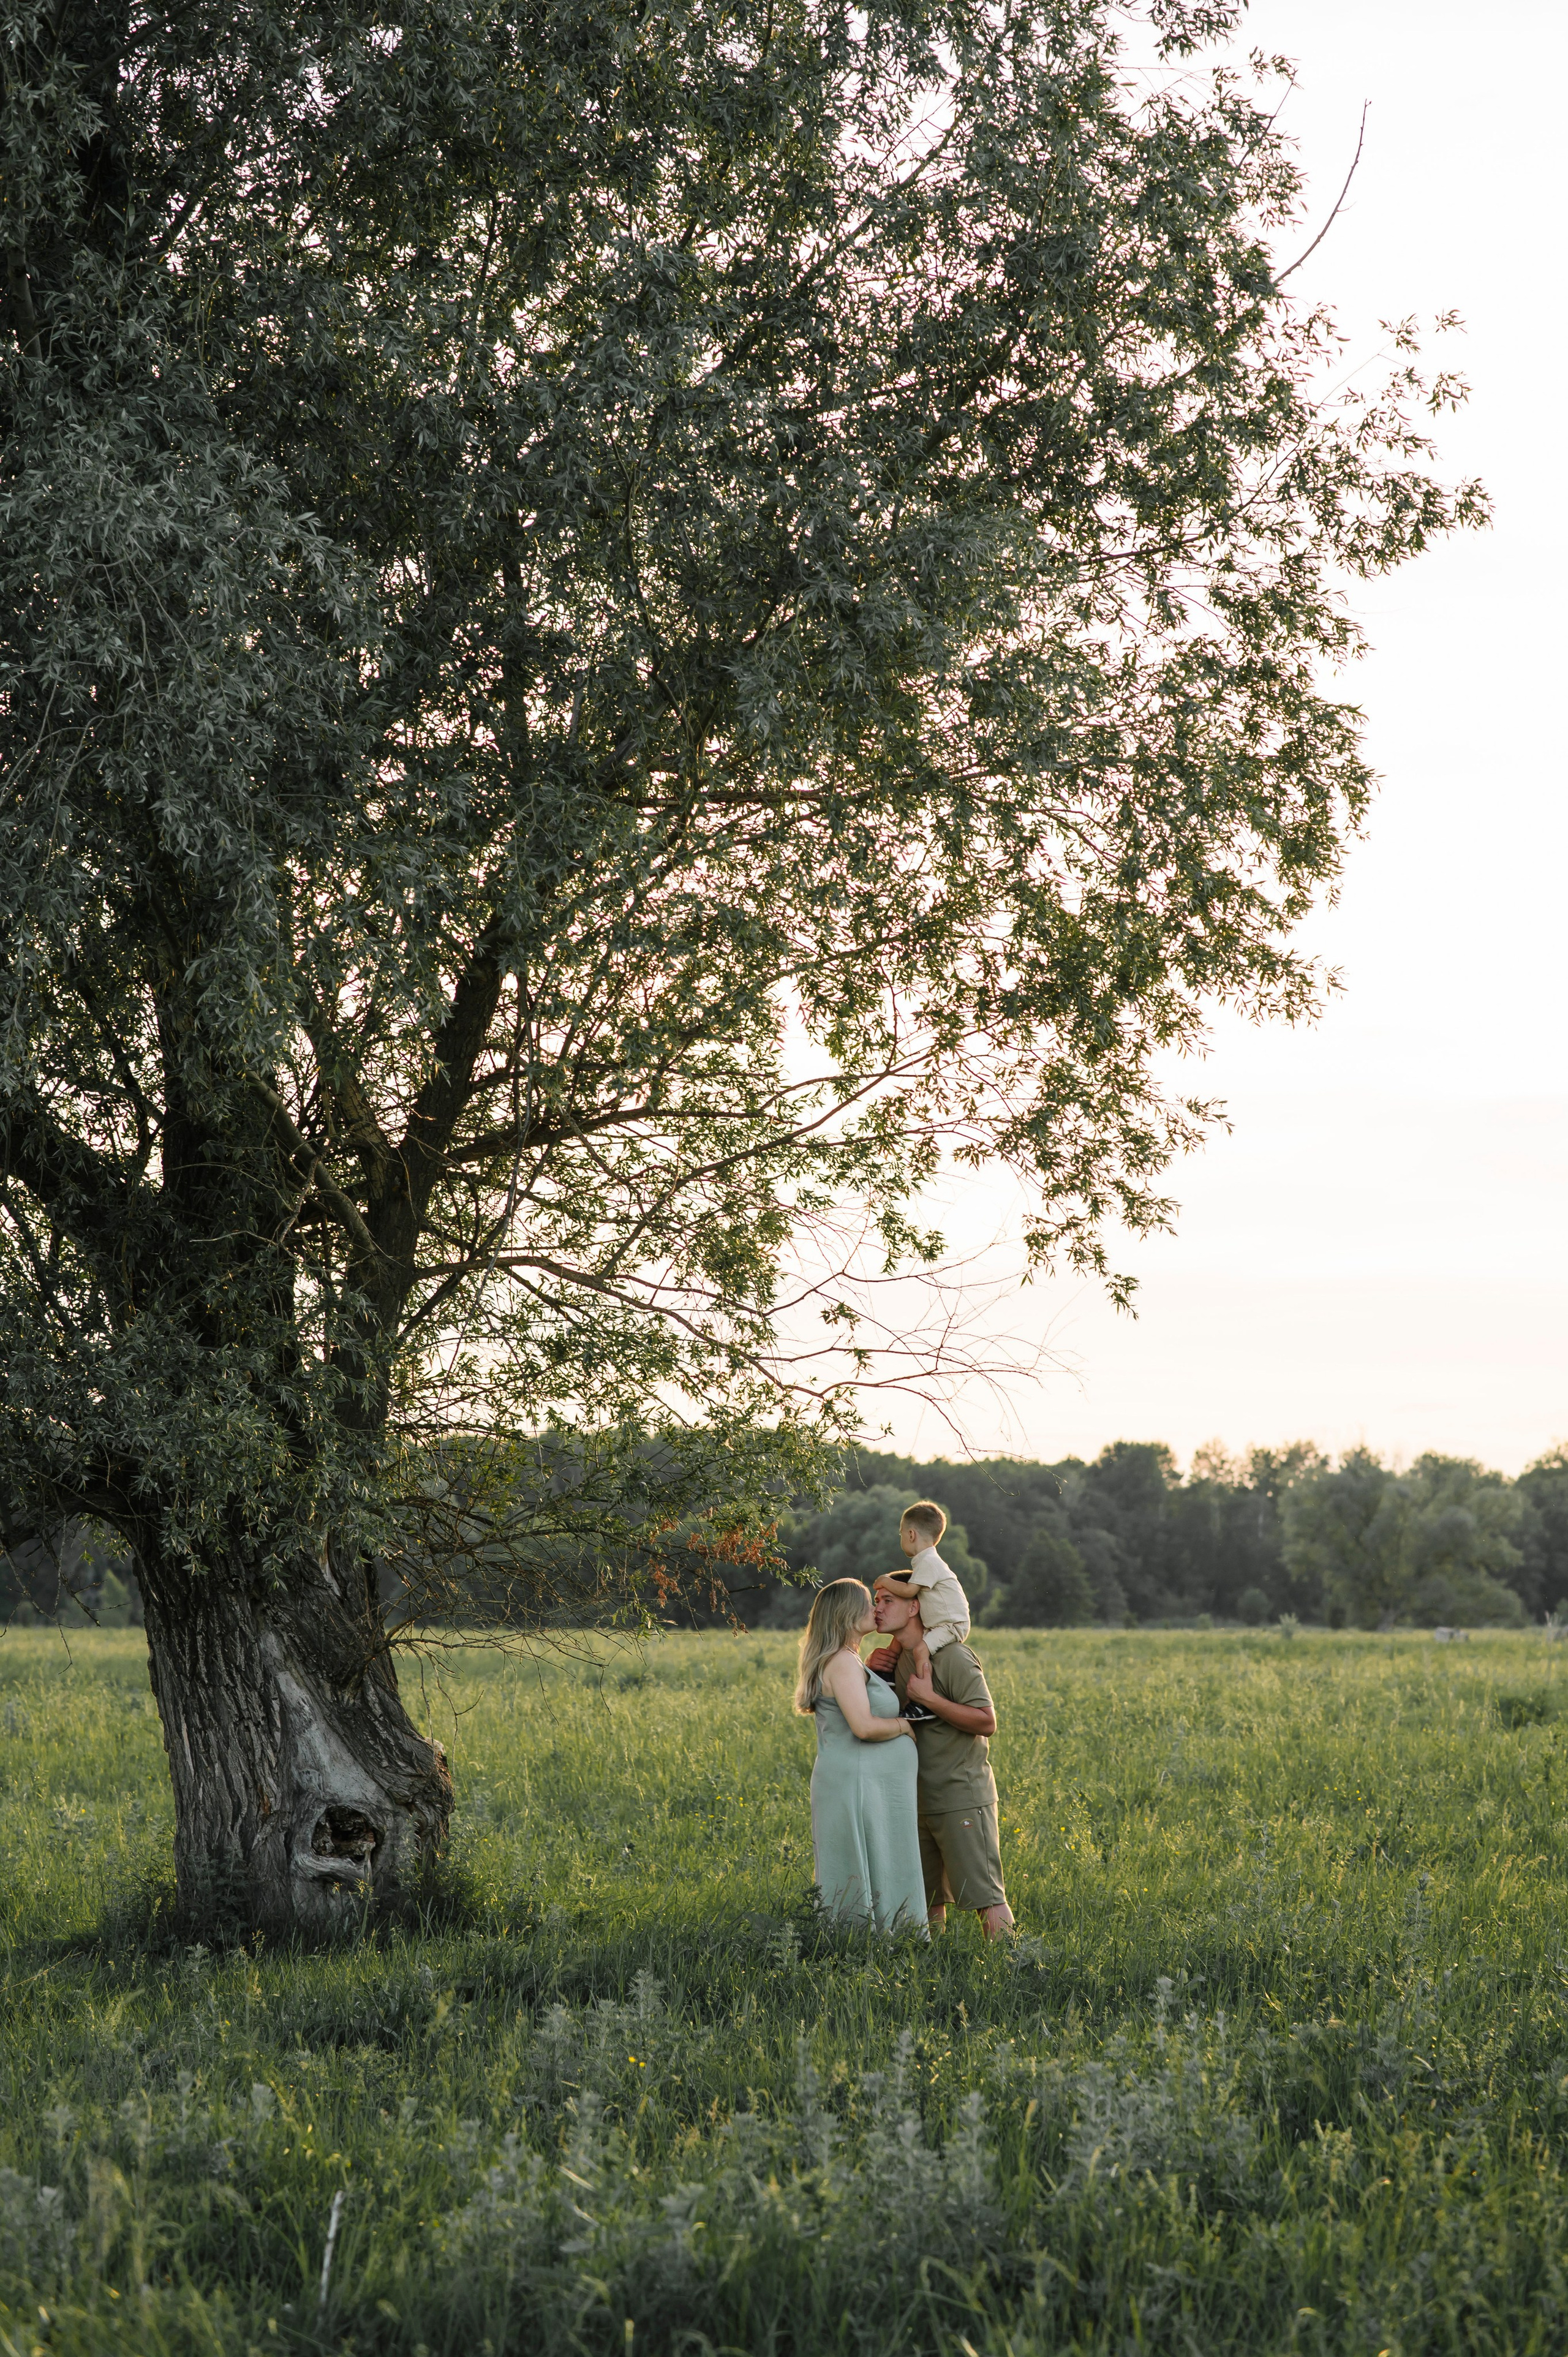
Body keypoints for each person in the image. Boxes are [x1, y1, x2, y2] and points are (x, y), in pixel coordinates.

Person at [869, 1575, 1014, 1940]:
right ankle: (932, 1968)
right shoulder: (891, 1659)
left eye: (888, 1600)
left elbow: (987, 1722)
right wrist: (871, 1671)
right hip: (914, 1800)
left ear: (914, 1606)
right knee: (926, 1897)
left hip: (960, 1796)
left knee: (986, 1896)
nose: (878, 1608)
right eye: (876, 1600)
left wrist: (930, 1699)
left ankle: (1014, 1972)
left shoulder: (953, 1656)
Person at [794, 1578, 927, 1935]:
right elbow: (864, 1727)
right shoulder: (841, 1662)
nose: (875, 1609)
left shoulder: (848, 1660)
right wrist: (905, 1726)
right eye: (869, 1603)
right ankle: (858, 1944)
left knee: (872, 1857)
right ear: (848, 1614)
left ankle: (880, 1938)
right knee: (857, 1861)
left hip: (859, 1780)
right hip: (854, 1782)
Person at [883, 1499, 970, 1691]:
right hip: (940, 1623)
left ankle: (923, 1695)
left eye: (901, 1534)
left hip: (951, 1625)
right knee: (903, 1638)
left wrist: (885, 1581)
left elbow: (909, 1591)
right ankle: (887, 1674)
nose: (901, 1539)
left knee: (920, 1649)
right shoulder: (926, 1561)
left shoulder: (929, 1562)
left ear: (911, 1535)